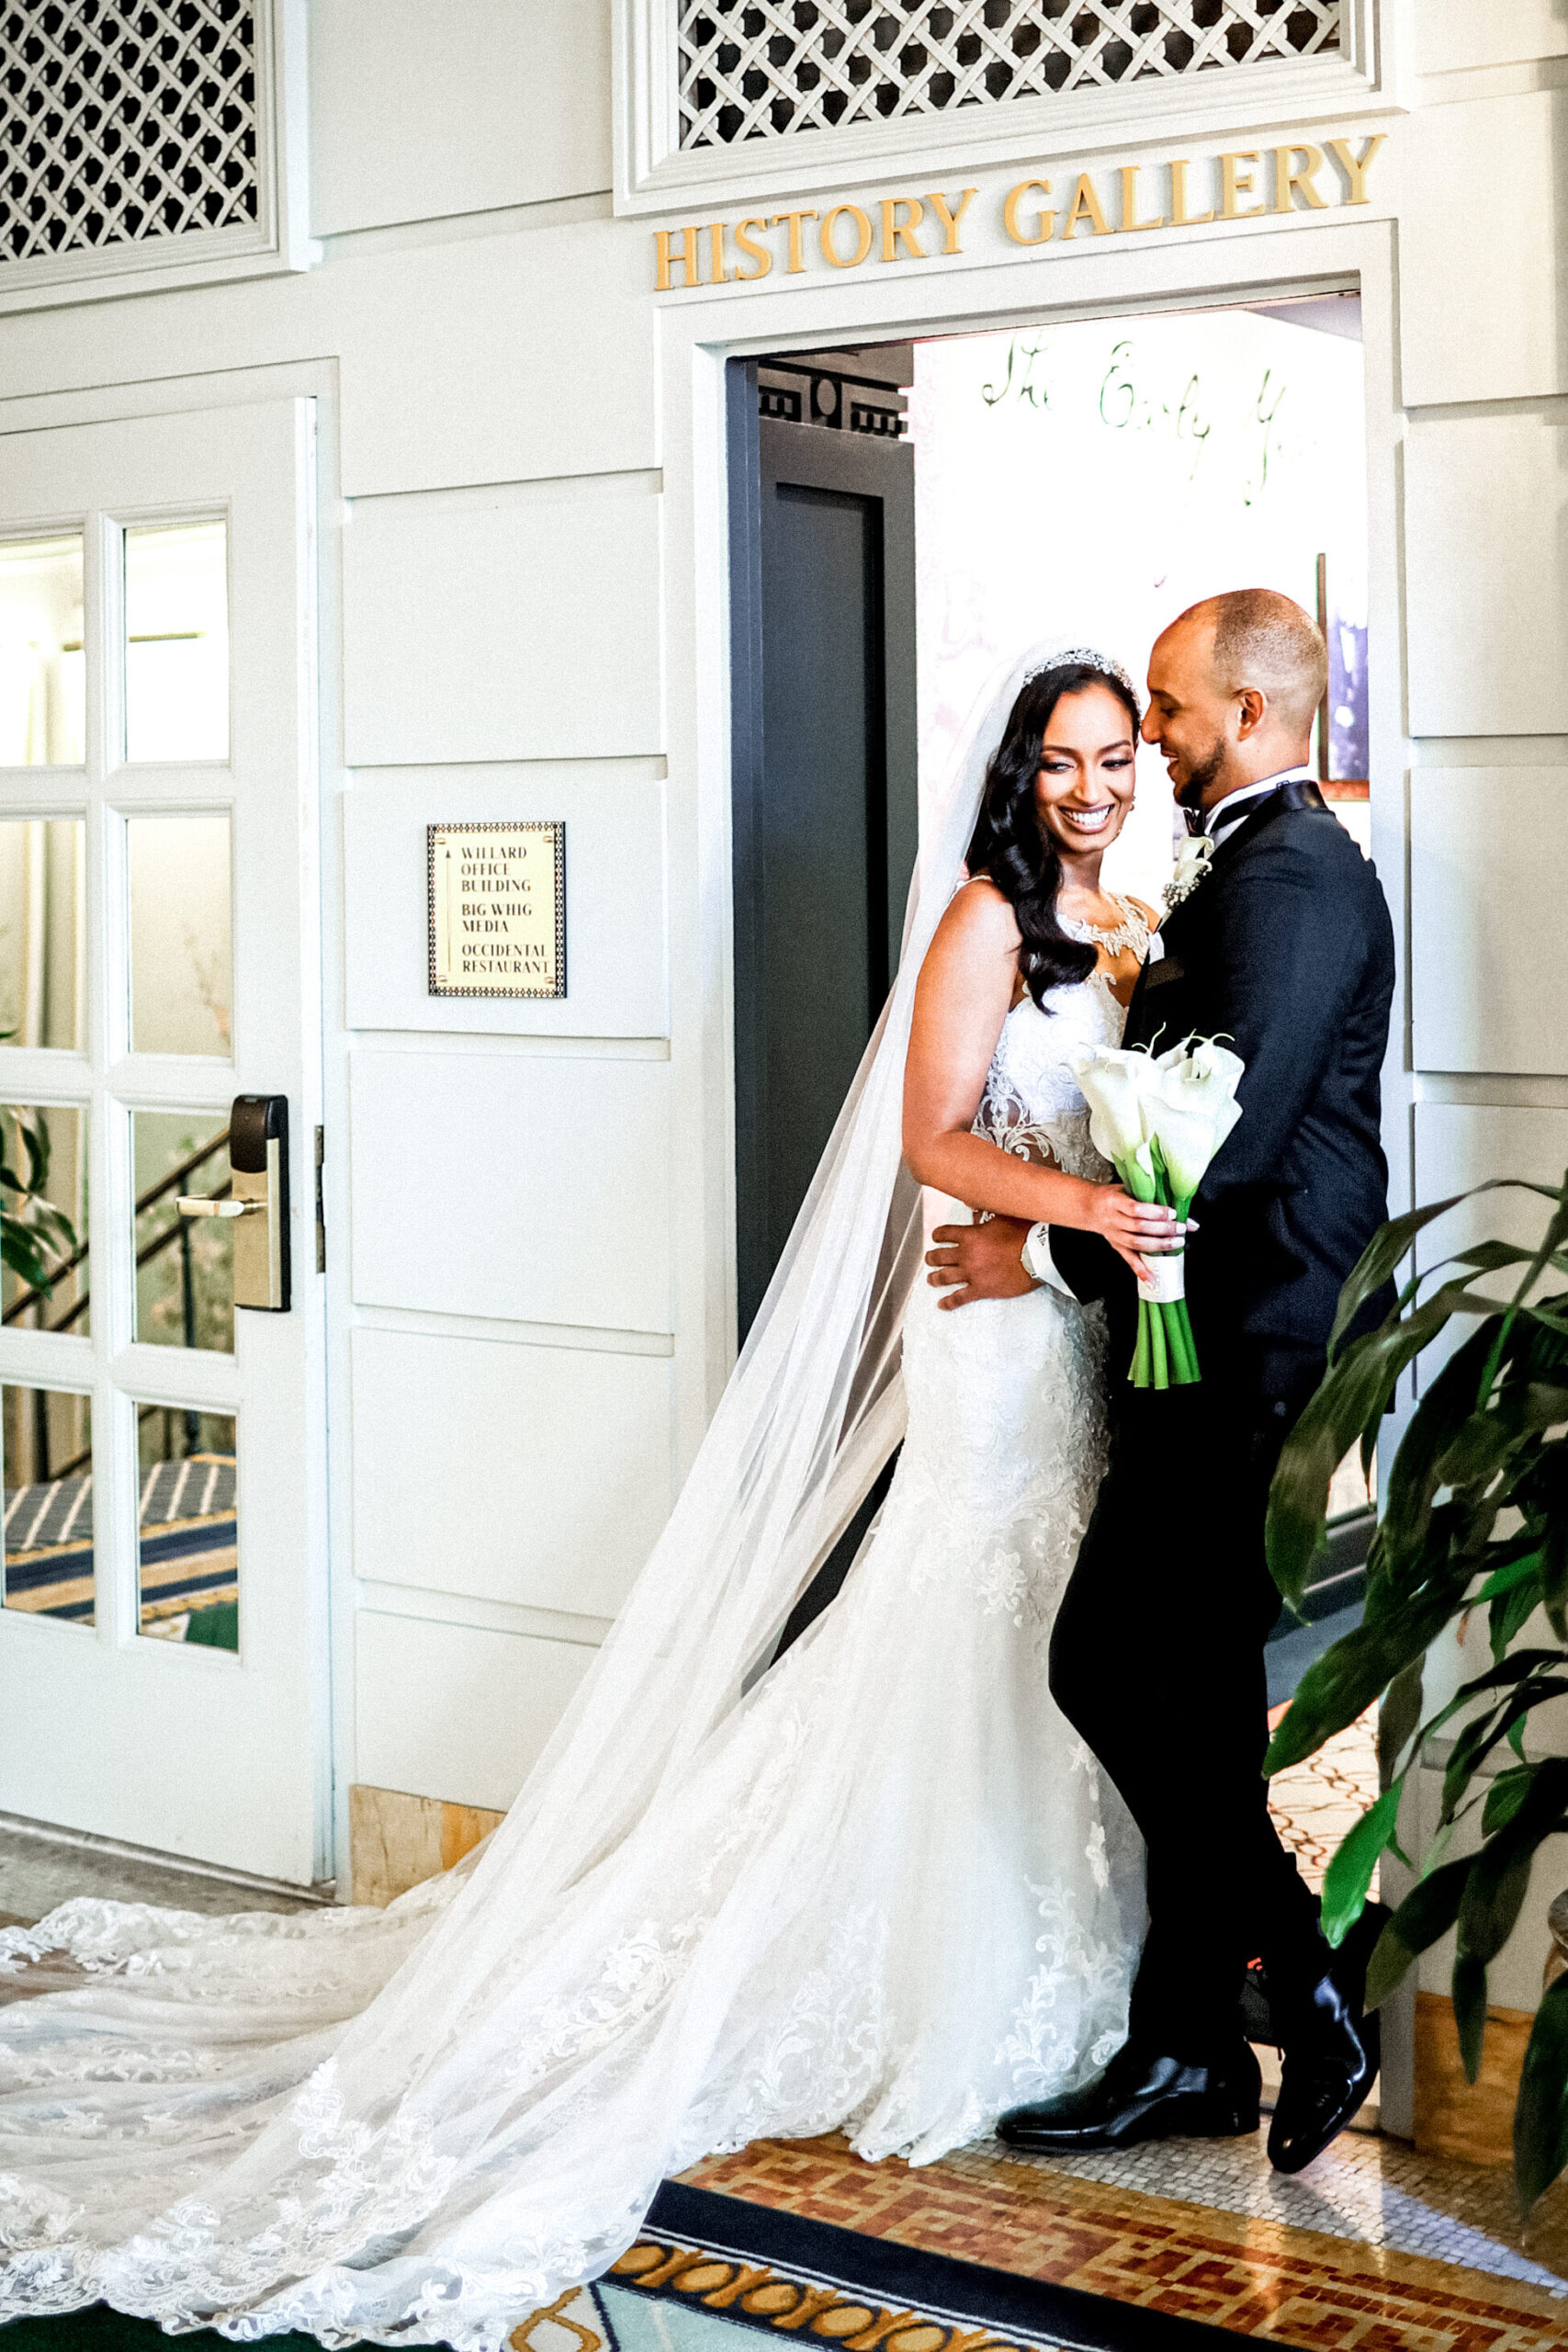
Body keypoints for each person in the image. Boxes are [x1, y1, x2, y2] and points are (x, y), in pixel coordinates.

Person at [0, 648, 1170, 2349]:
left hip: (1054, 1329)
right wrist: (1085, 1209)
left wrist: (1091, 1226)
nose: (1094, 786)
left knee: (1052, 1619)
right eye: (1066, 760)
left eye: (1118, 756)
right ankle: (933, 1971)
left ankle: (1079, 1959)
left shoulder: (1118, 921)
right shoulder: (986, 920)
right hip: (989, 1333)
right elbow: (931, 1135)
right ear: (1019, 769)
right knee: (971, 1607)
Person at [930, 590, 1395, 2175]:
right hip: (1189, 1333)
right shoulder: (1245, 868)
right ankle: (1195, 2042)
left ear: (1246, 721)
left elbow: (1225, 1149)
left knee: (1105, 1666)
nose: (1150, 758)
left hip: (1248, 1338)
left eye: (1168, 724)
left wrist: (1038, 1256)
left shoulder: (1292, 878)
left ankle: (1299, 1978)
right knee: (1184, 1692)